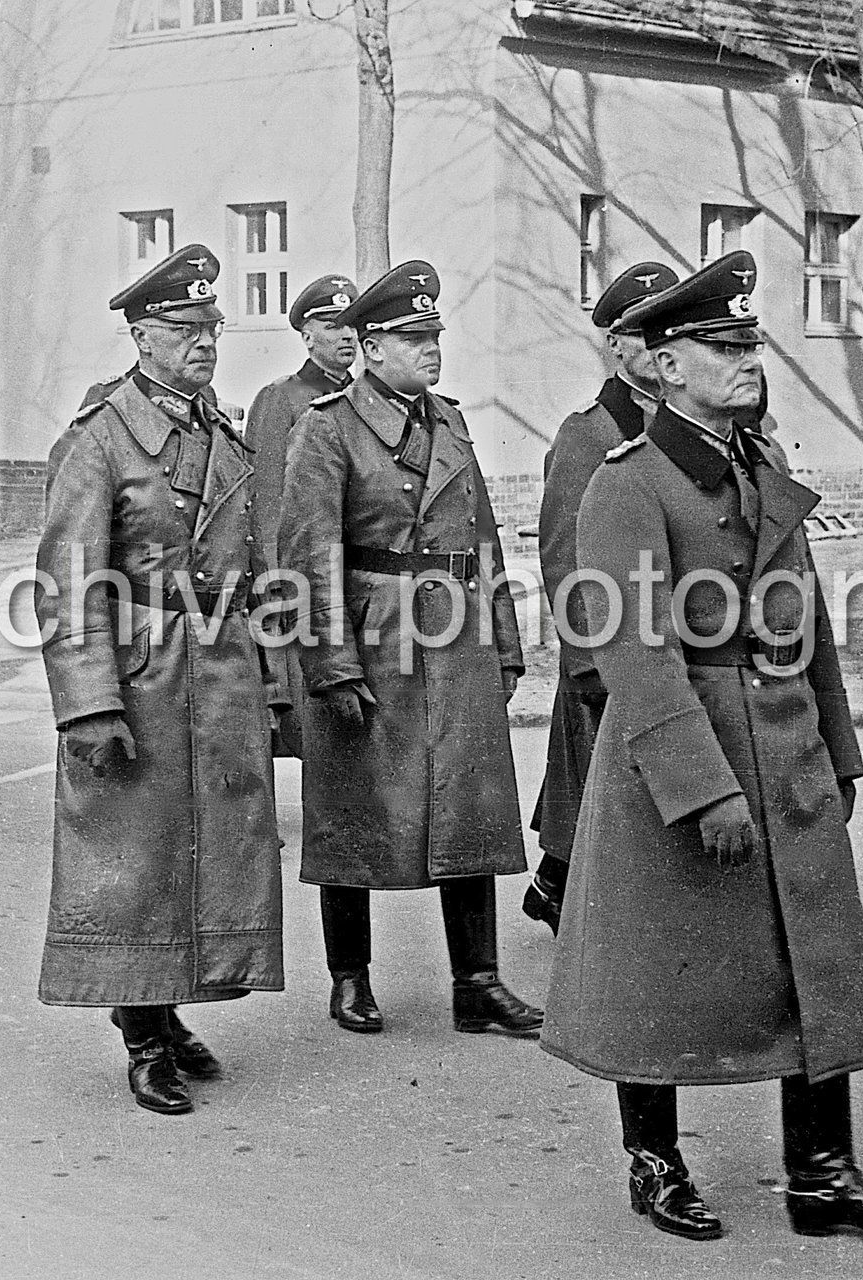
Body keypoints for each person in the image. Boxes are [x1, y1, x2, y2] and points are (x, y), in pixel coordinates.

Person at [540, 252, 863, 1243]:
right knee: (655, 965)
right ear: (668, 366)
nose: (746, 359)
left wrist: (839, 747)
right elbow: (635, 648)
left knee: (818, 953)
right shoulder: (625, 485)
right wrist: (701, 789)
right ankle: (654, 1158)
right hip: (683, 761)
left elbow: (807, 624)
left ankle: (824, 1171)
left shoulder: (765, 471)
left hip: (787, 743)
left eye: (750, 342)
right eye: (723, 347)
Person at [34, 244, 285, 1116]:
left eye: (211, 328)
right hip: (140, 668)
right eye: (185, 330)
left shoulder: (221, 433)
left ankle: (170, 1008)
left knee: (208, 847)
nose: (204, 343)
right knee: (137, 853)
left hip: (218, 661)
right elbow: (67, 578)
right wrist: (89, 703)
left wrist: (272, 669)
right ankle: (142, 1034)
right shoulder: (100, 441)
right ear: (142, 339)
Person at [280, 260, 540, 1039]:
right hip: (374, 633)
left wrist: (504, 641)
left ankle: (478, 984)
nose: (432, 351)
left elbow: (483, 537)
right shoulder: (326, 427)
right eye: (414, 338)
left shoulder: (451, 421)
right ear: (369, 347)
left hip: (455, 635)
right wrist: (329, 663)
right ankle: (350, 979)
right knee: (352, 810)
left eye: (436, 336)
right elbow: (307, 553)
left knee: (470, 808)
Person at [523, 260, 677, 933]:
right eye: (642, 333)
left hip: (667, 639)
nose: (658, 347)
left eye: (669, 331)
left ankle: (556, 886)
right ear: (614, 344)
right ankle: (570, 902)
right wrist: (588, 661)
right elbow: (564, 557)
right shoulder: (589, 433)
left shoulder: (685, 421)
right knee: (603, 789)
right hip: (606, 651)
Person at [242, 273, 357, 758]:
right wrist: (281, 589)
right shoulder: (281, 400)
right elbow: (266, 504)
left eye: (352, 324)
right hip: (305, 582)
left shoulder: (366, 400)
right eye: (332, 325)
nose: (346, 335)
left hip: (357, 578)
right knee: (317, 722)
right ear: (306, 336)